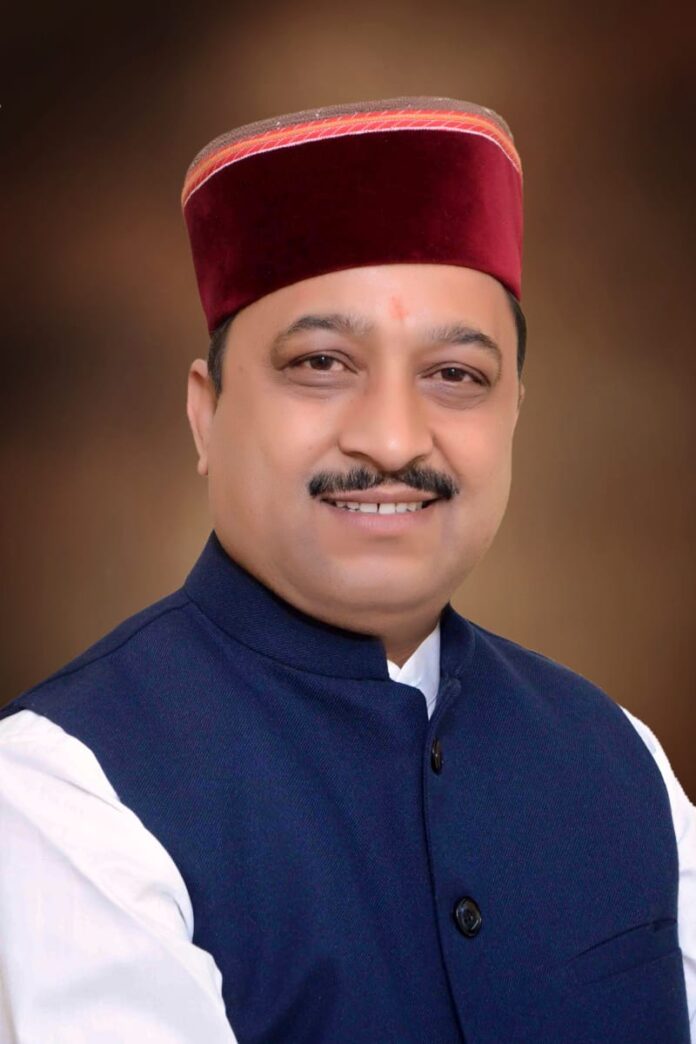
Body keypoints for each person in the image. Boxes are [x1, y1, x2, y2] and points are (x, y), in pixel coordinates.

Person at [0, 97, 693, 1044]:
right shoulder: (63, 792)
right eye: (322, 362)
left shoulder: (619, 756)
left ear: (514, 416)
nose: (394, 440)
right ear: (206, 415)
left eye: (455, 375)